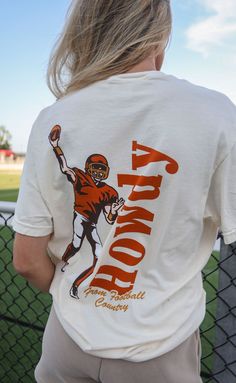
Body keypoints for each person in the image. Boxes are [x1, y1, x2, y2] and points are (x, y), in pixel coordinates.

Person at [12, 0, 236, 382]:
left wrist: (75, 298)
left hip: (67, 337)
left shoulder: (54, 116)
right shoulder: (215, 113)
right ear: (160, 34)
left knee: (93, 249)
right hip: (158, 345)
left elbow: (27, 259)